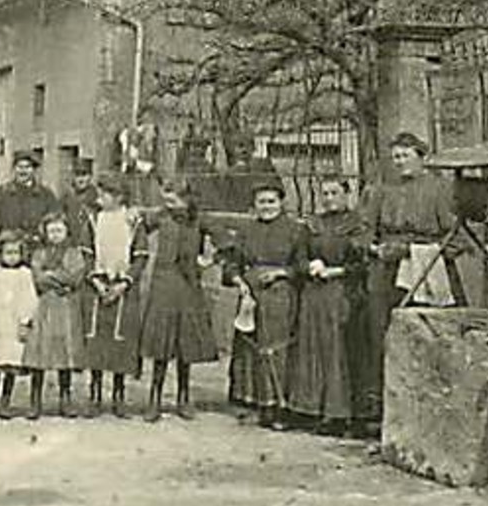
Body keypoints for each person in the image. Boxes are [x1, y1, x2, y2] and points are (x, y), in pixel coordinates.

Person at [359, 132, 461, 427]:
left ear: (421, 156)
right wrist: (373, 247)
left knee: (426, 335)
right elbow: (366, 228)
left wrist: (413, 252)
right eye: (395, 157)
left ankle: (429, 410)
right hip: (385, 271)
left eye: (405, 155)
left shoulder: (439, 189)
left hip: (425, 269)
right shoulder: (383, 190)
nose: (399, 162)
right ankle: (384, 411)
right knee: (382, 334)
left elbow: (454, 238)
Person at [227, 180, 310, 429]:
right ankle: (253, 402)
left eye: (271, 201)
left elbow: (301, 265)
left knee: (276, 348)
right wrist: (238, 281)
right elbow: (233, 261)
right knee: (249, 346)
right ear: (254, 204)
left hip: (280, 294)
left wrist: (281, 273)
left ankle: (278, 405)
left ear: (281, 202)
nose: (266, 206)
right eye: (261, 202)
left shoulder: (296, 230)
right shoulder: (246, 230)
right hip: (251, 294)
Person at [290, 177, 367, 436]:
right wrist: (308, 266)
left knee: (336, 351)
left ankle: (338, 413)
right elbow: (298, 257)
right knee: (311, 349)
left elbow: (362, 264)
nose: (329, 198)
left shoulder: (356, 224)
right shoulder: (312, 224)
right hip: (313, 294)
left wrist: (336, 271)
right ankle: (310, 409)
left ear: (347, 193)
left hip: (341, 292)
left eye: (334, 192)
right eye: (324, 193)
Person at [138, 179, 219, 422]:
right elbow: (139, 227)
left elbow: (225, 239)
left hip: (188, 284)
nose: (168, 204)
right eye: (166, 200)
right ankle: (155, 399)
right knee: (161, 342)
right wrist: (134, 217)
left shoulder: (199, 219)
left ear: (187, 198)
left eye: (173, 200)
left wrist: (208, 260)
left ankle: (183, 398)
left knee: (186, 343)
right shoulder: (160, 217)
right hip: (164, 282)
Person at [82, 175, 143, 417]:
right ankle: (95, 395)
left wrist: (124, 283)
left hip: (123, 288)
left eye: (105, 194)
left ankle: (119, 395)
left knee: (120, 343)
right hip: (97, 285)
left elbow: (140, 256)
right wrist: (95, 280)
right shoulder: (93, 220)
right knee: (97, 341)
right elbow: (86, 253)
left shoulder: (132, 221)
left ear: (118, 197)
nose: (100, 198)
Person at [24, 214, 88, 419]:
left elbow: (75, 277)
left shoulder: (74, 253)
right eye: (51, 231)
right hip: (45, 306)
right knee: (39, 353)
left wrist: (53, 275)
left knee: (65, 353)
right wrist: (57, 279)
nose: (55, 235)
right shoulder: (39, 253)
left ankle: (65, 398)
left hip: (66, 308)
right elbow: (37, 278)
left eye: (59, 230)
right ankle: (35, 400)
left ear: (67, 231)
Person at [0, 233, 40, 424]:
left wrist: (25, 322)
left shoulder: (25, 274)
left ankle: (5, 401)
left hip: (14, 325)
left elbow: (30, 300)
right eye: (7, 253)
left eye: (15, 253)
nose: (12, 257)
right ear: (0, 254)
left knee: (10, 366)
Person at [0, 149, 60, 254]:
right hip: (8, 247)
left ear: (33, 170)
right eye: (20, 167)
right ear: (14, 169)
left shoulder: (46, 194)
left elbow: (55, 218)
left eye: (27, 167)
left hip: (36, 248)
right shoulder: (3, 192)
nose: (23, 171)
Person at [59, 158, 100, 251]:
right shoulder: (66, 198)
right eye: (77, 175)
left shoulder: (97, 197)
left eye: (84, 175)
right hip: (71, 245)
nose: (81, 179)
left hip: (92, 245)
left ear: (90, 176)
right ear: (72, 177)